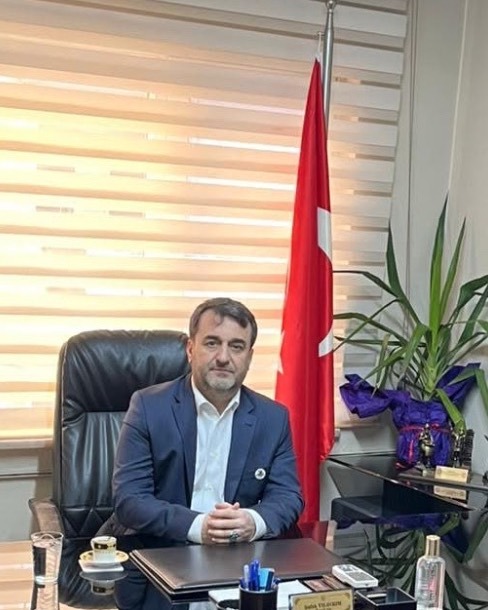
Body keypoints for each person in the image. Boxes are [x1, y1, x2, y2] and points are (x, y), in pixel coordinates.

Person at [109, 297, 303, 544]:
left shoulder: (273, 418)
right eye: (212, 343)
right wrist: (200, 527)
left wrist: (253, 522)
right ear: (190, 349)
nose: (223, 357)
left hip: (237, 552)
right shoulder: (148, 406)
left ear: (249, 357)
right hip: (161, 548)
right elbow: (130, 500)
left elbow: (288, 496)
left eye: (236, 346)